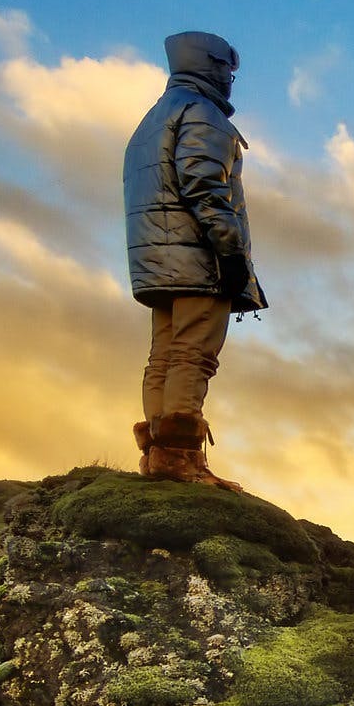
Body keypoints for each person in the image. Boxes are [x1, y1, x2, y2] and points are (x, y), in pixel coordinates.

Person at [123, 31, 268, 486]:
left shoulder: (154, 118)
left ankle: (158, 456)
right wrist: (231, 253)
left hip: (157, 260)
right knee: (193, 354)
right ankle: (181, 459)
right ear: (209, 64)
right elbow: (204, 186)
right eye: (226, 67)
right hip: (198, 257)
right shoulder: (203, 114)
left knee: (163, 355)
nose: (230, 78)